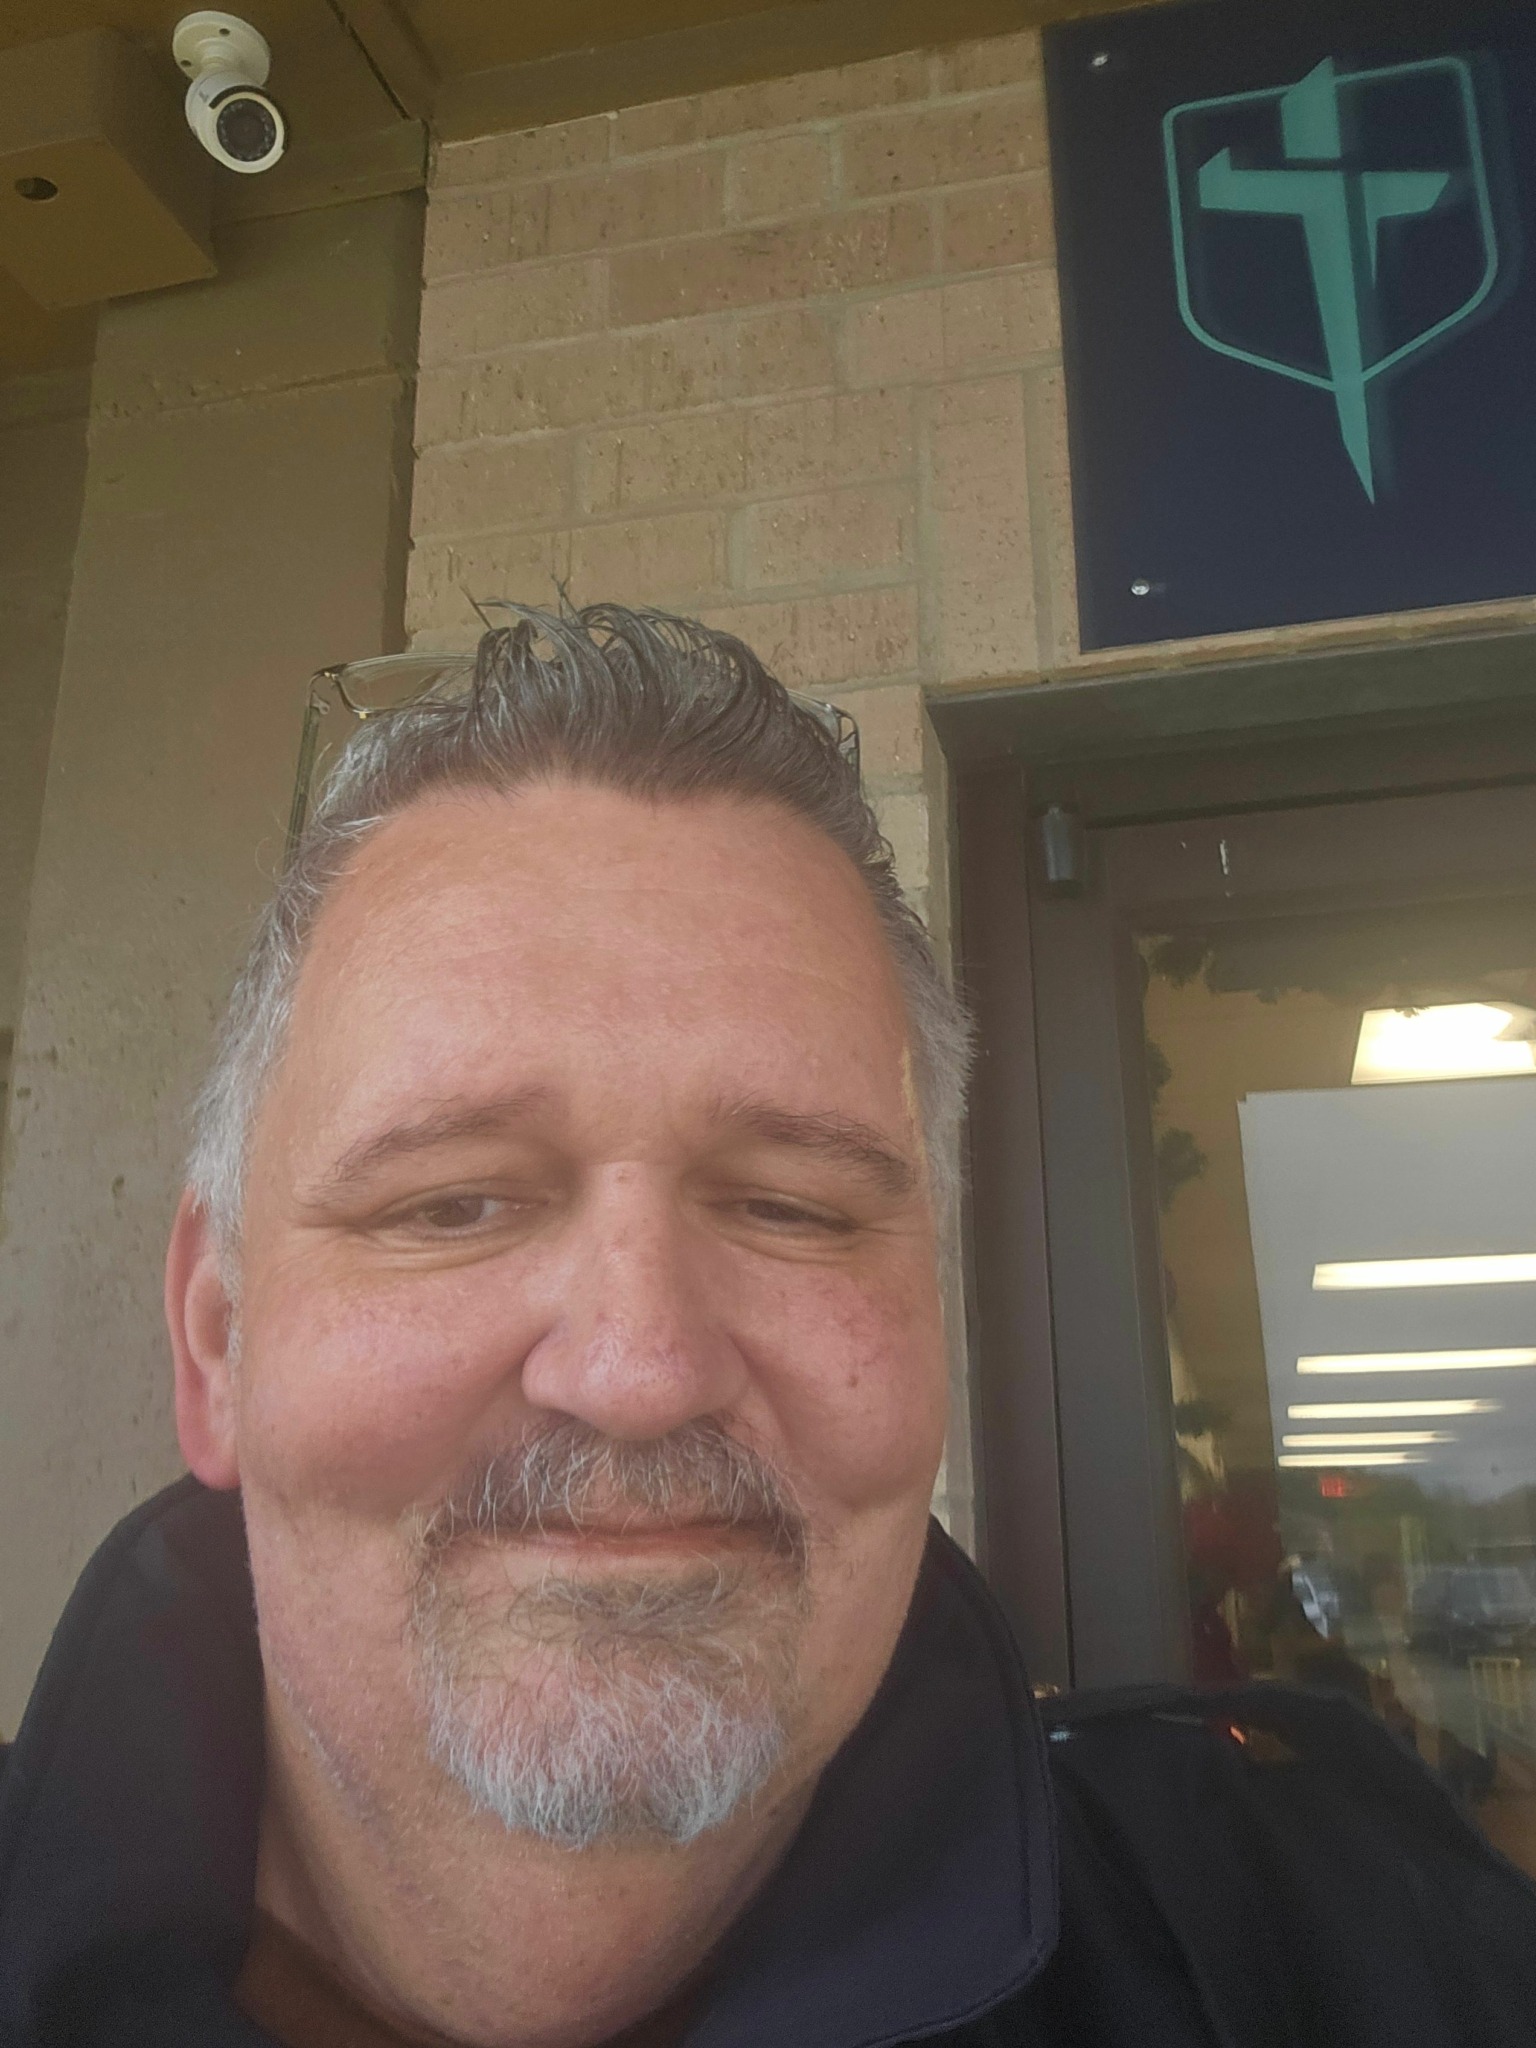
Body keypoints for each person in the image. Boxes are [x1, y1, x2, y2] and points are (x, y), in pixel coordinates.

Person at [2, 604, 1534, 2048]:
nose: (639, 1370)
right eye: (455, 1204)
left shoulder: (1322, 1934)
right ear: (218, 1341)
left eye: (790, 1208)